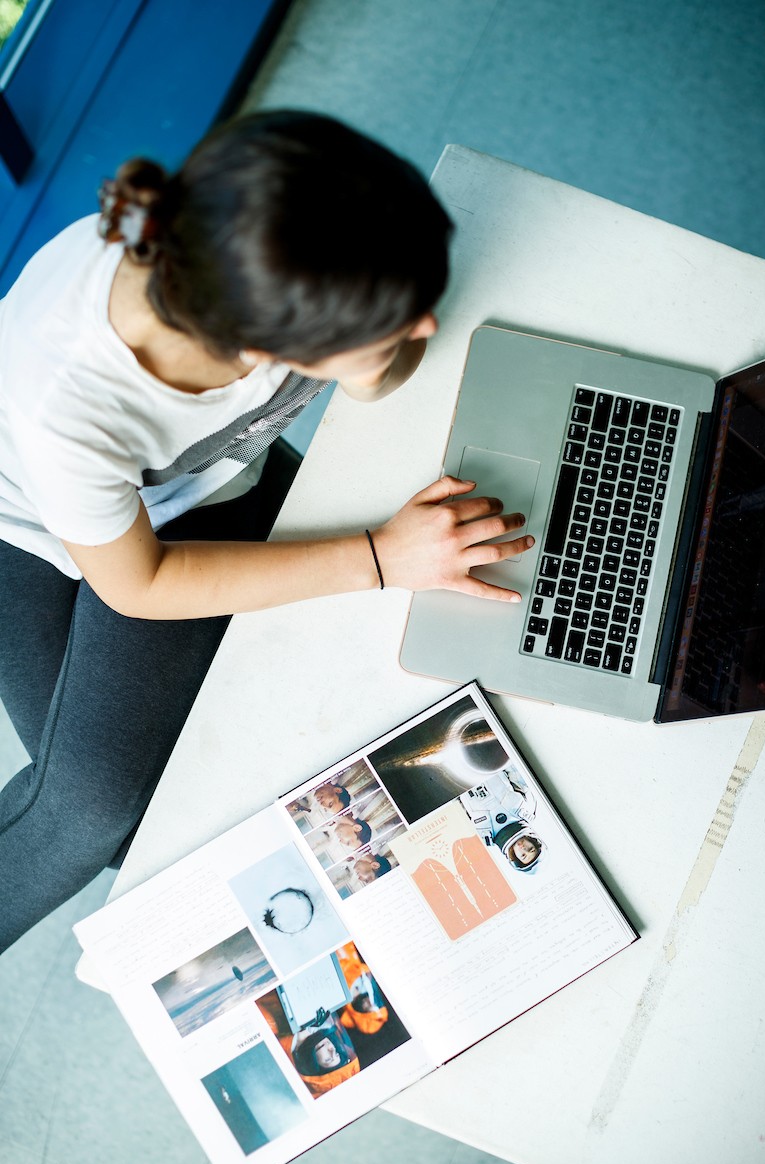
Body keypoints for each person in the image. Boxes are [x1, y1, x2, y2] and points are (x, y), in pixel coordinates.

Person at [0, 109, 535, 953]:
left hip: (189, 486)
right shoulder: (68, 395)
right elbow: (135, 583)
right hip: (24, 521)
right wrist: (380, 558)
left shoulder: (255, 256)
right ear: (258, 345)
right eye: (398, 318)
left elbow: (380, 379)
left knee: (178, 781)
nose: (424, 327)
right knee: (98, 811)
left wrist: (365, 355)